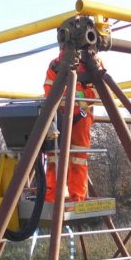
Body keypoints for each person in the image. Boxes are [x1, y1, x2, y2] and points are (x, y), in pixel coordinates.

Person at [43, 48, 97, 203]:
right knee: (55, 157)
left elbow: (98, 91)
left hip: (80, 117)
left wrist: (79, 95)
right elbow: (48, 90)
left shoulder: (91, 64)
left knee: (77, 158)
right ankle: (53, 197)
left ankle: (76, 198)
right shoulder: (56, 65)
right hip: (60, 117)